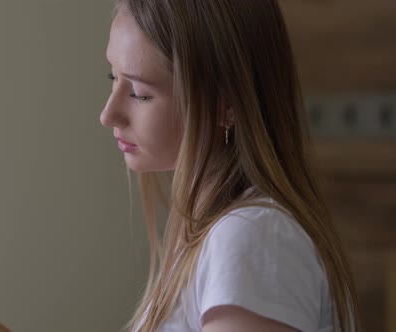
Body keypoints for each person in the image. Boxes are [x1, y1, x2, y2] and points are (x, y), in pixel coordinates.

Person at [99, 1, 361, 331]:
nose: (108, 115)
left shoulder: (253, 238)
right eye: (113, 76)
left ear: (226, 105)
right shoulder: (213, 235)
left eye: (138, 92)